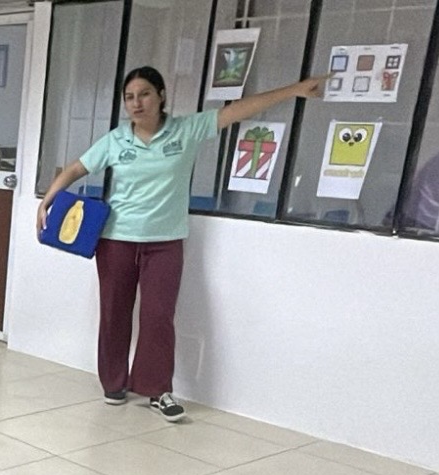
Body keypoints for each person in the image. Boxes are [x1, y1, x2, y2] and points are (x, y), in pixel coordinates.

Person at [38, 66, 326, 421]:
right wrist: (47, 200)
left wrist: (294, 89)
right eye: (129, 97)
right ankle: (113, 383)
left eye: (144, 94)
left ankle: (157, 390)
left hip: (165, 243)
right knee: (114, 314)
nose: (136, 103)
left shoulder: (186, 130)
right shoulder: (116, 140)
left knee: (158, 317)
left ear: (161, 96)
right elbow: (75, 169)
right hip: (116, 240)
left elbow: (237, 111)